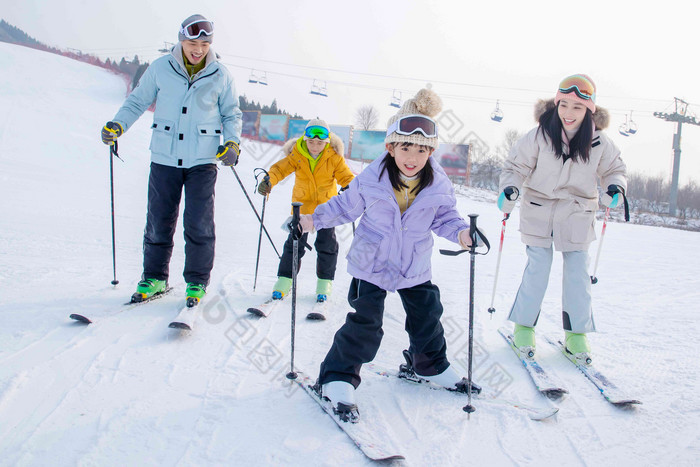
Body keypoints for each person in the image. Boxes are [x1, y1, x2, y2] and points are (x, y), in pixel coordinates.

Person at [298, 89, 479, 419]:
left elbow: (445, 217)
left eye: (422, 149)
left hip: (413, 264)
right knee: (366, 322)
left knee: (427, 315)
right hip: (372, 262)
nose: (413, 156)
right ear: (391, 147)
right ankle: (336, 378)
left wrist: (463, 234)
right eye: (405, 147)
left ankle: (428, 366)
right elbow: (345, 206)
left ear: (431, 151)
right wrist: (313, 219)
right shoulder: (372, 180)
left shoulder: (438, 184)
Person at [101, 14, 242, 306]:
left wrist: (232, 142)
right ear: (181, 40)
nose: (198, 49)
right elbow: (138, 101)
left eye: (204, 43)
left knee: (199, 222)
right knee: (159, 219)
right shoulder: (161, 68)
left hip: (203, 160)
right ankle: (154, 278)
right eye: (193, 42)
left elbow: (232, 114)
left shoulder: (220, 74)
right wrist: (118, 125)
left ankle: (196, 282)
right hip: (165, 157)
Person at [497, 74, 627, 362]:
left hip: (577, 212)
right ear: (556, 104)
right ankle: (524, 328)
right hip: (539, 209)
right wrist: (510, 187)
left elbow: (614, 170)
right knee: (538, 268)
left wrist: (615, 187)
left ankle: (576, 335)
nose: (569, 113)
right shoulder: (539, 135)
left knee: (577, 273)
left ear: (589, 110)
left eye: (577, 107)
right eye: (564, 105)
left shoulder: (599, 143)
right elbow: (515, 166)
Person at [257, 119, 354, 306]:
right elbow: (280, 169)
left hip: (327, 210)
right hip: (301, 208)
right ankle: (285, 280)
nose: (315, 146)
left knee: (327, 246)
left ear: (326, 142)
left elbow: (345, 176)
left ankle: (324, 283)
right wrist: (269, 180)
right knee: (294, 244)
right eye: (311, 142)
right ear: (305, 139)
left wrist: (351, 187)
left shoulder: (334, 157)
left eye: (319, 142)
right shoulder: (297, 154)